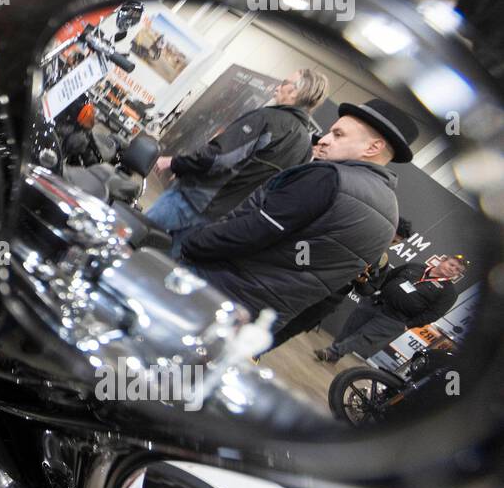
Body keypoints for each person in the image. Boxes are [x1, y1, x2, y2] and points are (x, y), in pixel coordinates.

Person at [179, 98, 420, 331]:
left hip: (215, 292)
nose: (324, 140)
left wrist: (191, 244)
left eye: (338, 134)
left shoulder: (328, 177)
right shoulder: (390, 215)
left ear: (373, 147)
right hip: (261, 319)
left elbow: (252, 230)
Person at [150, 68, 329, 253]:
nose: (278, 87)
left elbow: (218, 158)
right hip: (225, 222)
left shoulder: (266, 119)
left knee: (138, 237)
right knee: (170, 265)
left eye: (284, 82)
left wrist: (173, 163)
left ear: (295, 92)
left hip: (194, 201)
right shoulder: (305, 147)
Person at [269, 217, 412, 351]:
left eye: (395, 242)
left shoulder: (381, 260)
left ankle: (257, 353)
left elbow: (369, 290)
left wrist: (361, 282)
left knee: (291, 330)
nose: (390, 243)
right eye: (391, 238)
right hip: (305, 285)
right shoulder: (351, 235)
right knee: (271, 316)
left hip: (328, 301)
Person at [317, 254, 466, 363]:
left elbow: (434, 314)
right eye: (451, 264)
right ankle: (334, 354)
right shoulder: (416, 266)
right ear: (443, 260)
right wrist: (376, 291)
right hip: (376, 302)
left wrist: (408, 325)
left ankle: (331, 352)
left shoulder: (449, 293)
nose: (452, 269)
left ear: (457, 274)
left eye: (457, 270)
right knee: (350, 329)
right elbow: (390, 276)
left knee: (363, 337)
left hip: (395, 319)